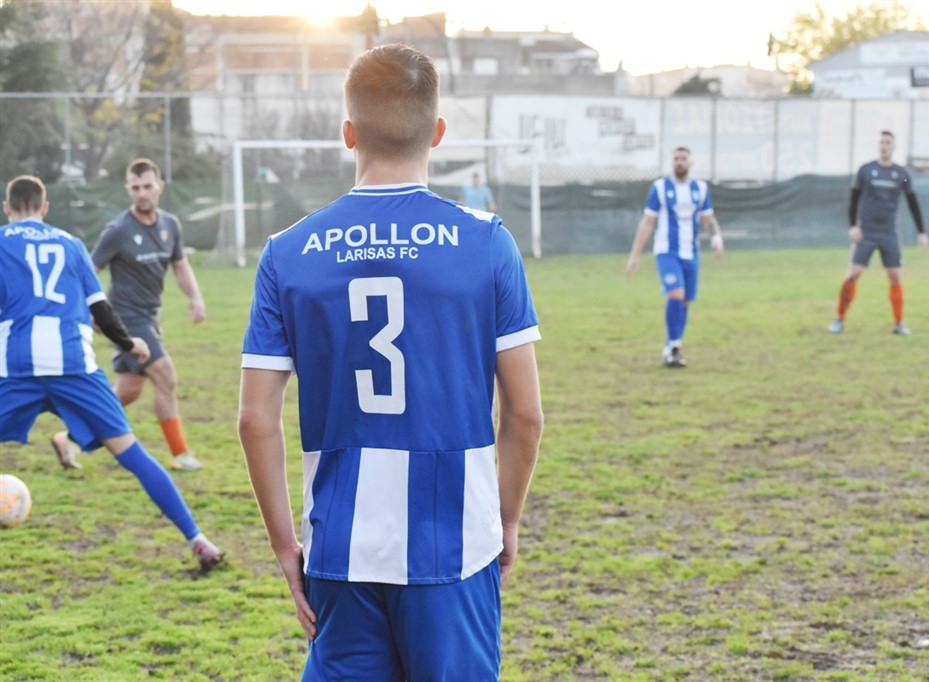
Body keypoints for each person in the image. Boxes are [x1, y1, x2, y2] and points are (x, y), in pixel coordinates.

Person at [237, 44, 543, 680]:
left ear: (348, 133)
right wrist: (507, 519)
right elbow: (525, 414)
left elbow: (254, 420)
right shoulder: (487, 242)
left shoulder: (287, 252)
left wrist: (285, 546)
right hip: (455, 540)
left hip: (341, 544)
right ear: (438, 132)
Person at [0, 175, 223, 571]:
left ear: (7, 209)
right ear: (45, 208)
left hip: (17, 365)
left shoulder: (2, 242)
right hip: (74, 364)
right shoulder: (71, 244)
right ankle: (199, 541)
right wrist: (128, 342)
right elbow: (100, 308)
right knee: (132, 453)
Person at [72, 158, 207, 471]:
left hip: (150, 316)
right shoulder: (117, 231)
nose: (142, 193)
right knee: (166, 375)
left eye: (147, 186)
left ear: (159, 186)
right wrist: (91, 312)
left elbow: (180, 266)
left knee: (128, 391)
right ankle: (180, 453)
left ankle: (70, 438)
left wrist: (196, 297)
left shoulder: (170, 225)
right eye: (135, 188)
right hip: (125, 318)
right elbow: (87, 272)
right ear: (128, 190)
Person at [625, 146, 724, 367]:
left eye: (683, 158)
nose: (679, 162)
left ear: (690, 162)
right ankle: (672, 347)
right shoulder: (660, 188)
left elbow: (708, 219)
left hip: (692, 252)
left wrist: (716, 238)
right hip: (667, 251)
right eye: (676, 158)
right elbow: (648, 222)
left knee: (685, 300)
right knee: (676, 294)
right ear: (672, 162)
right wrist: (635, 255)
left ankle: (673, 345)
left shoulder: (700, 188)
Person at [828, 130, 928, 335]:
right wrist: (852, 226)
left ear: (894, 146)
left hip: (889, 232)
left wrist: (921, 231)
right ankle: (839, 319)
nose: (884, 146)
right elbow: (854, 199)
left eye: (888, 142)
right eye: (882, 142)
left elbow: (912, 201)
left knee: (895, 276)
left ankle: (899, 323)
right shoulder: (865, 171)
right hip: (866, 231)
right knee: (854, 274)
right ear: (878, 146)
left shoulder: (902, 175)